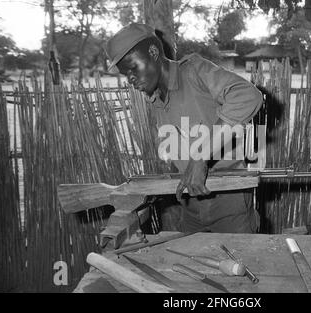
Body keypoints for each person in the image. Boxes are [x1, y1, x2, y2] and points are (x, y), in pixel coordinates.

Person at [105, 23, 263, 233]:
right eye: (126, 74)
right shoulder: (157, 100)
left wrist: (200, 158)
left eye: (133, 68)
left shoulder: (194, 72)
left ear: (153, 52)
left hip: (228, 200)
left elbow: (248, 96)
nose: (130, 79)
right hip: (190, 206)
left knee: (239, 263)